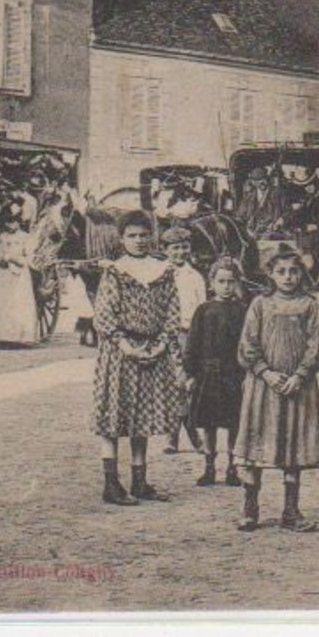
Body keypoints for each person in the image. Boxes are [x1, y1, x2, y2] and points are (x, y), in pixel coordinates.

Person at [91, 211, 185, 506]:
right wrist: (126, 346)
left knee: (141, 417)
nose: (139, 240)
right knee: (113, 415)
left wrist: (160, 346)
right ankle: (111, 483)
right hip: (120, 352)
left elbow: (172, 311)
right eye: (132, 235)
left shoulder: (164, 271)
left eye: (144, 235)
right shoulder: (115, 271)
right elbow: (104, 315)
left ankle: (140, 481)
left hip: (151, 350)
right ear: (122, 239)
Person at [233, 248, 319, 533]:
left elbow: (316, 345)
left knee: (294, 446)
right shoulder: (260, 305)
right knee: (255, 445)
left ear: (302, 274)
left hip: (298, 387)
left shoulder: (310, 305)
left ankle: (290, 510)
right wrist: (265, 372)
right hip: (264, 387)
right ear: (271, 275)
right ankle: (250, 508)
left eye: (294, 271)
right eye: (281, 272)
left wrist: (300, 375)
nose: (288, 277)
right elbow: (248, 345)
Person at [182, 257, 249, 488]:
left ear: (237, 283)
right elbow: (192, 344)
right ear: (212, 283)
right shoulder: (204, 310)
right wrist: (190, 374)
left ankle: (232, 468)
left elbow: (248, 344)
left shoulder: (243, 311)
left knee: (233, 423)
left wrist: (247, 374)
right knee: (208, 423)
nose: (226, 286)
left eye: (231, 281)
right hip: (208, 374)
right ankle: (209, 467)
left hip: (234, 375)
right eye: (221, 281)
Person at [162, 225, 207, 454]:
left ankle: (184, 434)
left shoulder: (195, 276)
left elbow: (202, 309)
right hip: (168, 335)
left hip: (190, 335)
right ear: (166, 250)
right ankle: (181, 435)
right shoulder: (160, 274)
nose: (180, 252)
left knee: (189, 384)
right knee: (174, 384)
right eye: (175, 248)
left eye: (184, 247)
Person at [0, 212, 41, 347]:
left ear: (19, 222)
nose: (11, 225)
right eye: (8, 222)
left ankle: (20, 337)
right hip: (3, 273)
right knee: (1, 302)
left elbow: (30, 256)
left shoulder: (25, 237)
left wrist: (16, 260)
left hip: (19, 273)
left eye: (14, 222)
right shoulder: (0, 237)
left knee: (19, 302)